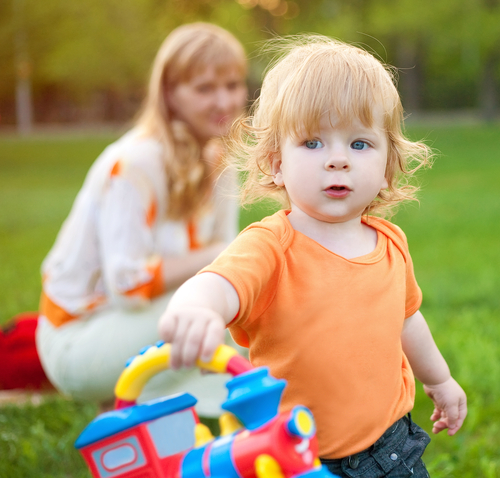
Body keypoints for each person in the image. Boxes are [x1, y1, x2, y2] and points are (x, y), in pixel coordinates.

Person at [158, 36, 467, 476]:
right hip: (293, 455)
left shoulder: (391, 242)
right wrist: (198, 308)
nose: (338, 160)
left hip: (391, 445)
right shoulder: (269, 246)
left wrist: (439, 379)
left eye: (359, 144)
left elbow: (406, 319)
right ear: (275, 162)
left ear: (386, 167)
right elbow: (220, 283)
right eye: (313, 143)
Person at [36, 22, 248, 416]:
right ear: (170, 94)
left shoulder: (221, 161)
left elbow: (227, 269)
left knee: (242, 303)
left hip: (147, 320)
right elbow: (127, 286)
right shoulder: (135, 163)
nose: (224, 101)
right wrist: (217, 256)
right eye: (205, 88)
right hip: (79, 336)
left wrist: (226, 262)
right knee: (216, 318)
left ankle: (213, 408)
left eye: (233, 85)